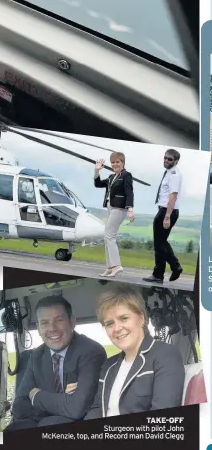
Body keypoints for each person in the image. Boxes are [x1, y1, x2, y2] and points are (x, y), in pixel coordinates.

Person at [85, 284, 184, 418]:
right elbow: (97, 409)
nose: (117, 328)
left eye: (123, 318)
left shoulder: (165, 354)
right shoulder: (109, 365)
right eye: (109, 323)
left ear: (141, 318)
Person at [8, 295, 106, 429]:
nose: (52, 328)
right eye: (44, 323)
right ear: (38, 328)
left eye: (59, 320)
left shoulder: (91, 351)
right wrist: (62, 401)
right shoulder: (36, 355)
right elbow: (19, 407)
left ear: (72, 322)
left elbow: (77, 409)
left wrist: (36, 395)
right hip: (40, 422)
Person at [143, 149, 183, 284]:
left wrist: (167, 216)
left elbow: (173, 196)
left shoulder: (174, 174)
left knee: (160, 243)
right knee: (161, 243)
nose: (166, 160)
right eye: (165, 158)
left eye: (170, 159)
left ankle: (164, 271)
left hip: (167, 211)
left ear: (176, 161)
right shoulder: (168, 172)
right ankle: (170, 269)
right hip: (165, 210)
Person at [94, 152, 135, 278]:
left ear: (123, 163)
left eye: (117, 162)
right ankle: (110, 267)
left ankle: (117, 266)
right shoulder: (112, 177)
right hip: (110, 207)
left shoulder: (126, 175)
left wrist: (130, 209)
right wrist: (96, 171)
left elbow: (129, 192)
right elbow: (98, 184)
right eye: (113, 162)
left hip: (119, 208)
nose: (115, 164)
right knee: (107, 237)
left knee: (110, 236)